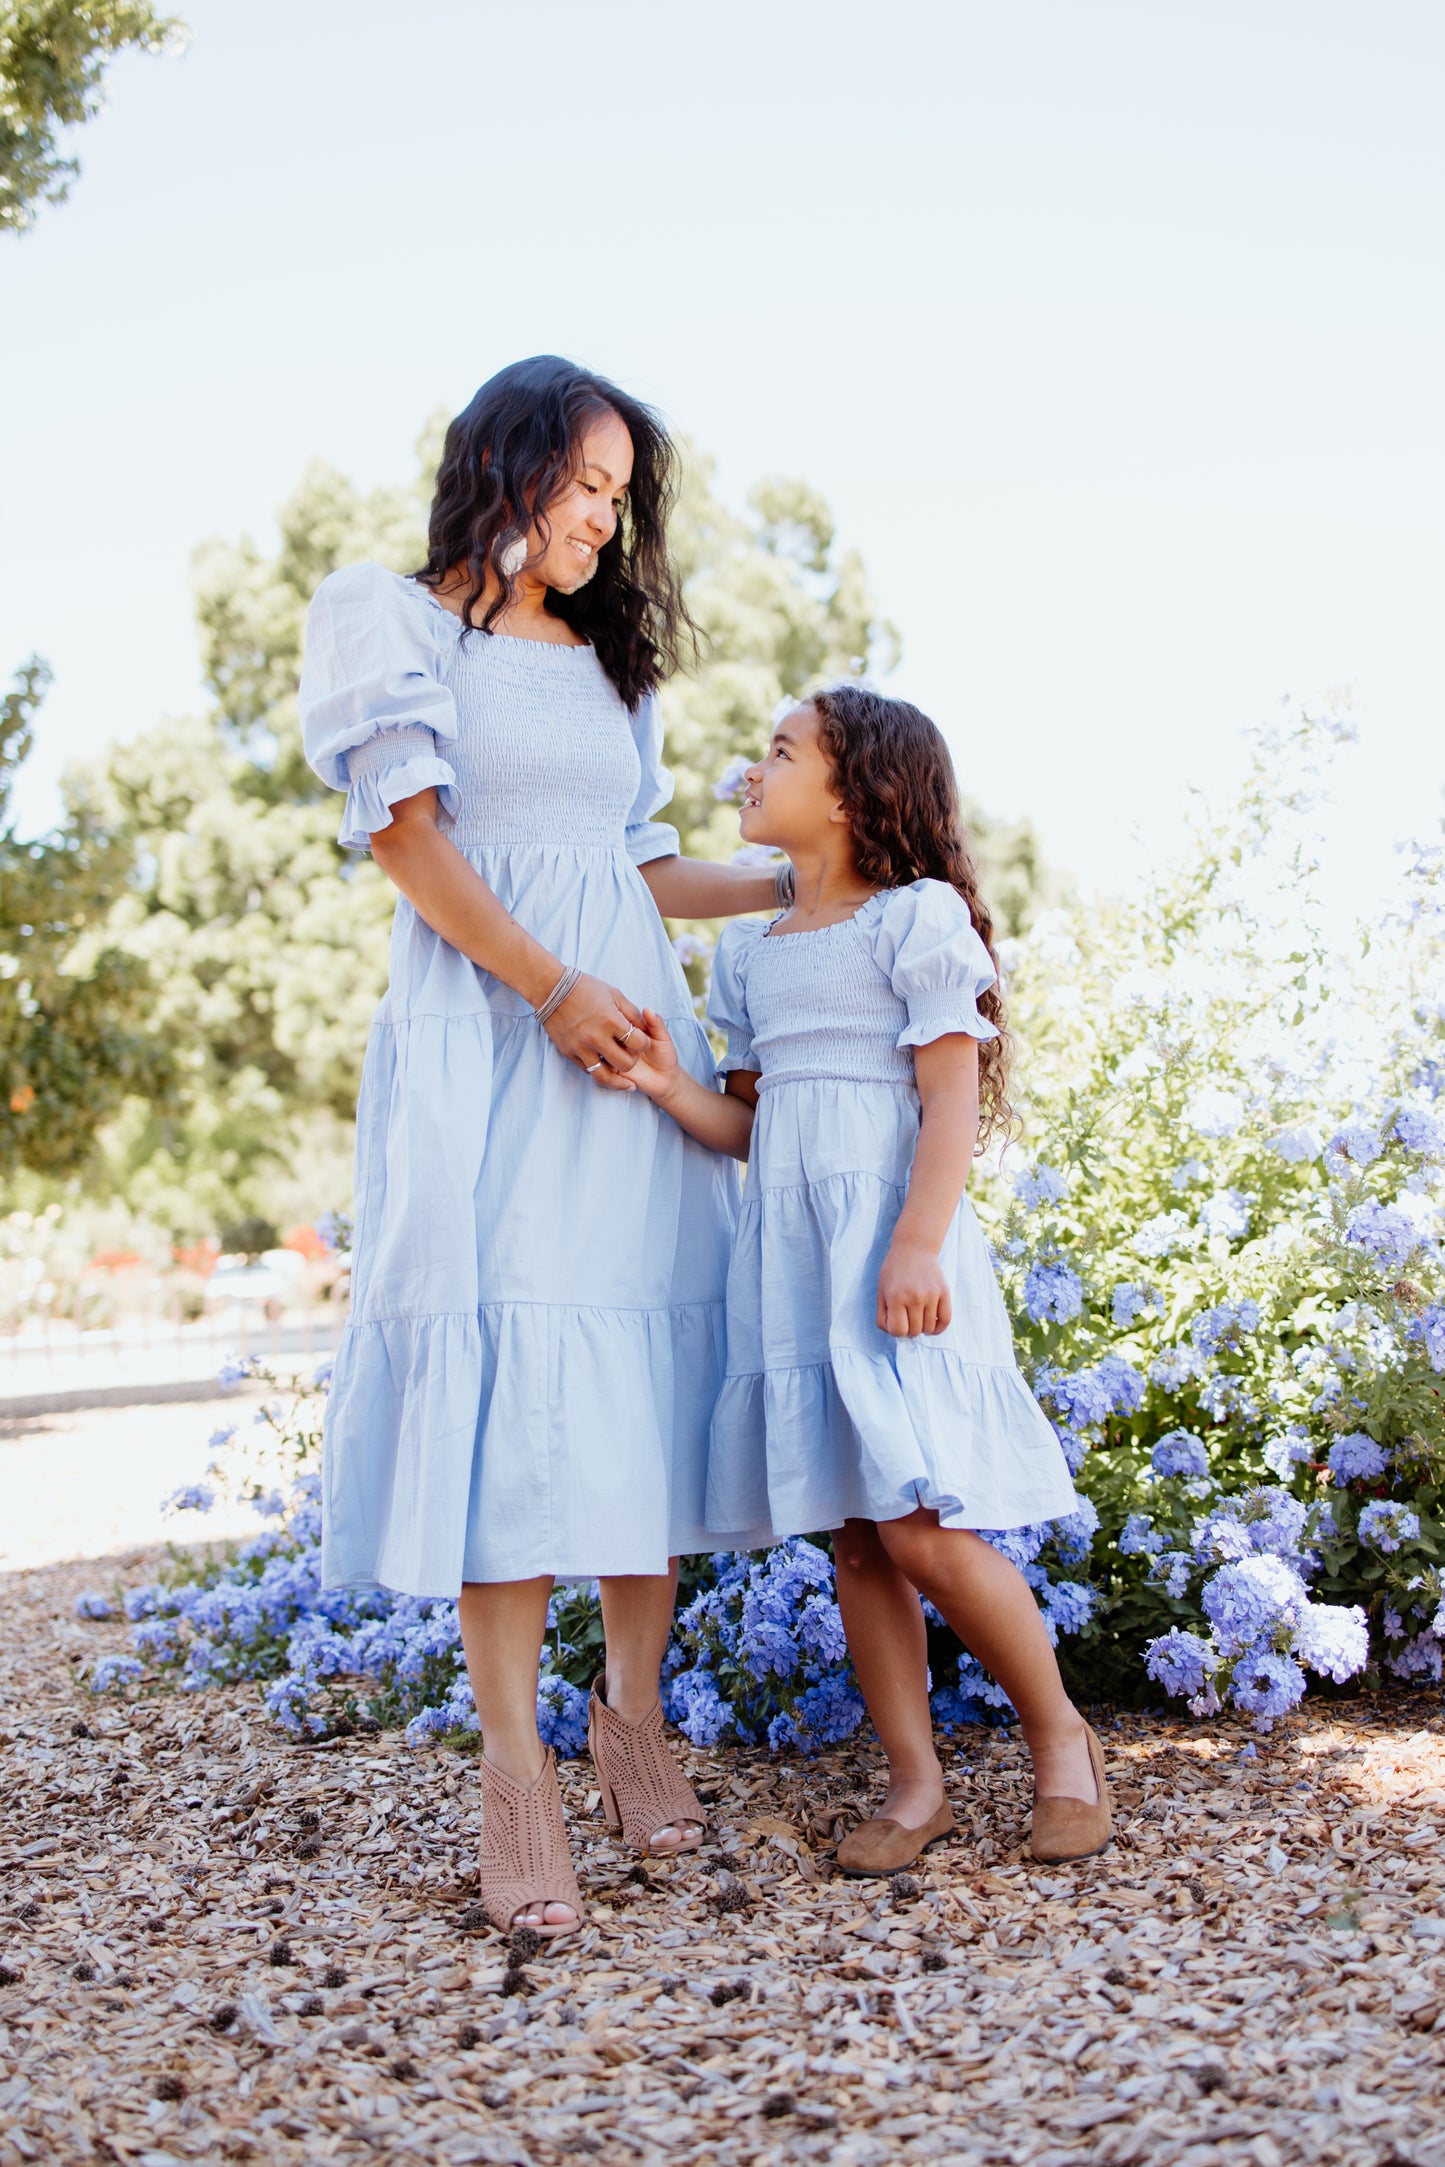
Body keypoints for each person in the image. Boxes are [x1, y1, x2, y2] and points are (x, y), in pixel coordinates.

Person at [298, 356, 783, 1937]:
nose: (602, 516)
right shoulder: (390, 619)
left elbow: (637, 864)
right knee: (510, 1381)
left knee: (638, 1371)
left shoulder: (612, 666)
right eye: (585, 482)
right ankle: (514, 1772)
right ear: (505, 465)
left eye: (618, 494)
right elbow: (409, 839)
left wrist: (815, 883)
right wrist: (551, 989)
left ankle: (629, 1714)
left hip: (632, 1039)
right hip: (491, 1040)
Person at [614, 684, 1113, 1868]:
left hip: (895, 1257)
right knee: (853, 1537)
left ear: (848, 793)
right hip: (794, 1265)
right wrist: (661, 1085)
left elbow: (947, 1106)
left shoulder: (913, 921)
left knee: (921, 1525)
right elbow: (754, 1128)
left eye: (778, 753)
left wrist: (913, 1244)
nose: (751, 769)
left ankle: (1061, 1739)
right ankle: (913, 1784)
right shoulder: (749, 953)